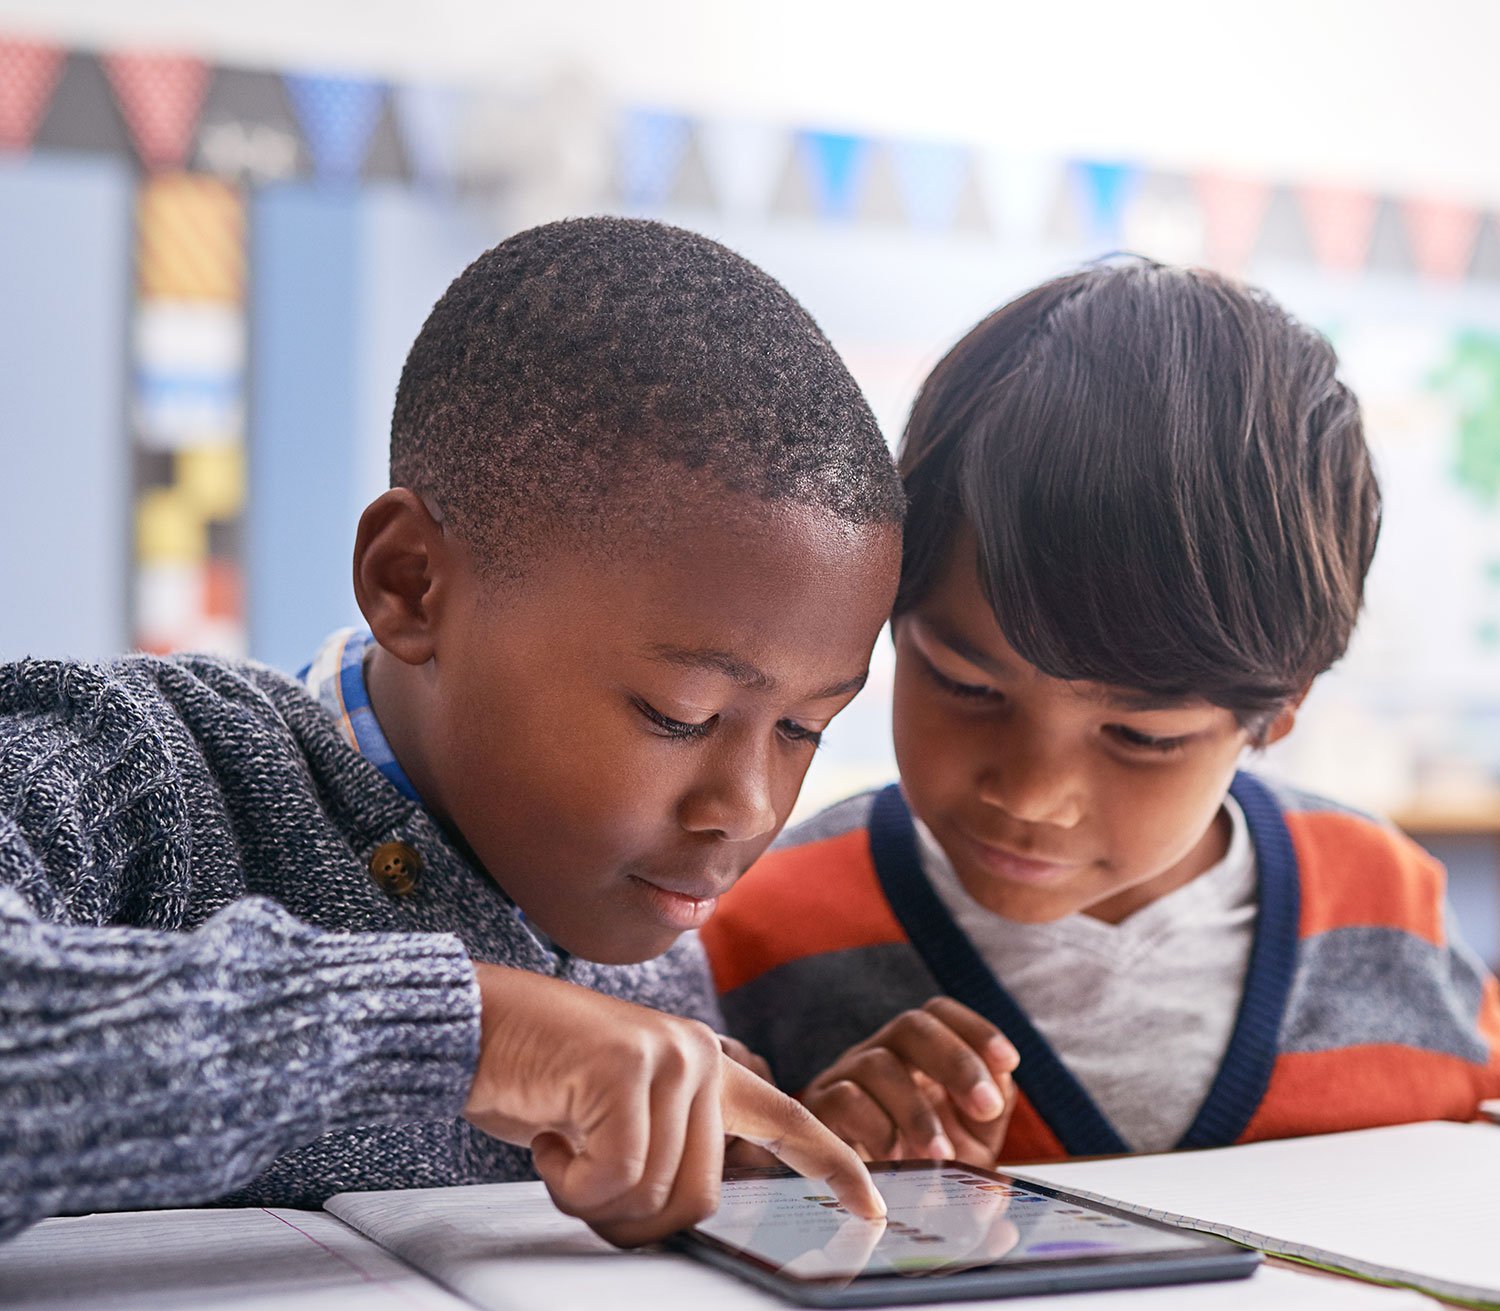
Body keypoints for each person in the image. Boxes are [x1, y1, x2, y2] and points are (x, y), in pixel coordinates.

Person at [0, 217, 902, 1246]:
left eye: (804, 728)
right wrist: (468, 1035)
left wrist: (741, 1168)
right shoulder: (128, 765)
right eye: (676, 714)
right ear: (412, 585)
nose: (747, 807)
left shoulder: (650, 940)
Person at [703, 261, 1500, 1167]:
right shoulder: (759, 933)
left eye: (1141, 737)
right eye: (967, 685)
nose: (1035, 794)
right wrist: (793, 1174)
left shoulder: (1388, 905)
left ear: (1279, 711)